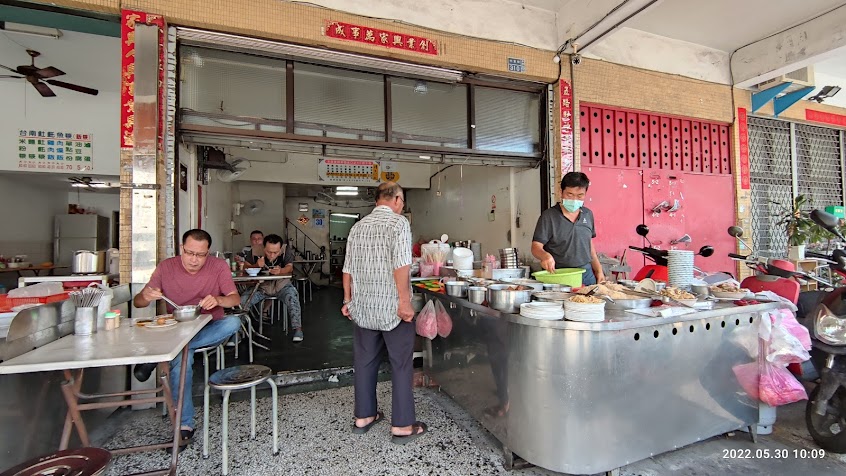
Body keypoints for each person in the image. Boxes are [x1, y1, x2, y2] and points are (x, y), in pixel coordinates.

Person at [132, 229, 242, 447]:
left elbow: (234, 299)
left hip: (209, 327)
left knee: (234, 322)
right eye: (190, 253)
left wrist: (219, 300)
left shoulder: (218, 266)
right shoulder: (166, 267)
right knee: (184, 359)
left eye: (200, 255)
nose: (194, 259)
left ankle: (161, 355)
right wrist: (145, 296)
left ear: (208, 253)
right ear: (181, 248)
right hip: (176, 329)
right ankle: (184, 424)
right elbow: (138, 302)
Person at [341, 182, 427, 444]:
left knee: (365, 362)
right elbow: (401, 266)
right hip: (392, 309)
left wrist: (347, 300)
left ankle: (364, 417)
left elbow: (348, 269)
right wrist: (404, 303)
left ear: (377, 200)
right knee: (401, 364)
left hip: (364, 308)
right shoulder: (398, 224)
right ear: (398, 200)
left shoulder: (357, 227)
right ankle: (402, 426)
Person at [531, 172, 605, 285]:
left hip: (585, 274)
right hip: (558, 274)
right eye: (570, 195)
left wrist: (599, 271)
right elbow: (536, 247)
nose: (574, 199)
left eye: (580, 195)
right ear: (561, 193)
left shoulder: (587, 214)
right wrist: (545, 256)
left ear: (585, 194)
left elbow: (590, 247)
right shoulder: (549, 216)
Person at [240, 233, 304, 342]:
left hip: (281, 286)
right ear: (264, 247)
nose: (272, 255)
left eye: (276, 252)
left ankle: (298, 329)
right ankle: (237, 331)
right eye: (269, 252)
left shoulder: (286, 249)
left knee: (293, 297)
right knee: (242, 301)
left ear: (280, 249)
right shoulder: (254, 250)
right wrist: (256, 265)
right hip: (261, 287)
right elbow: (245, 266)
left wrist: (281, 271)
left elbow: (290, 267)